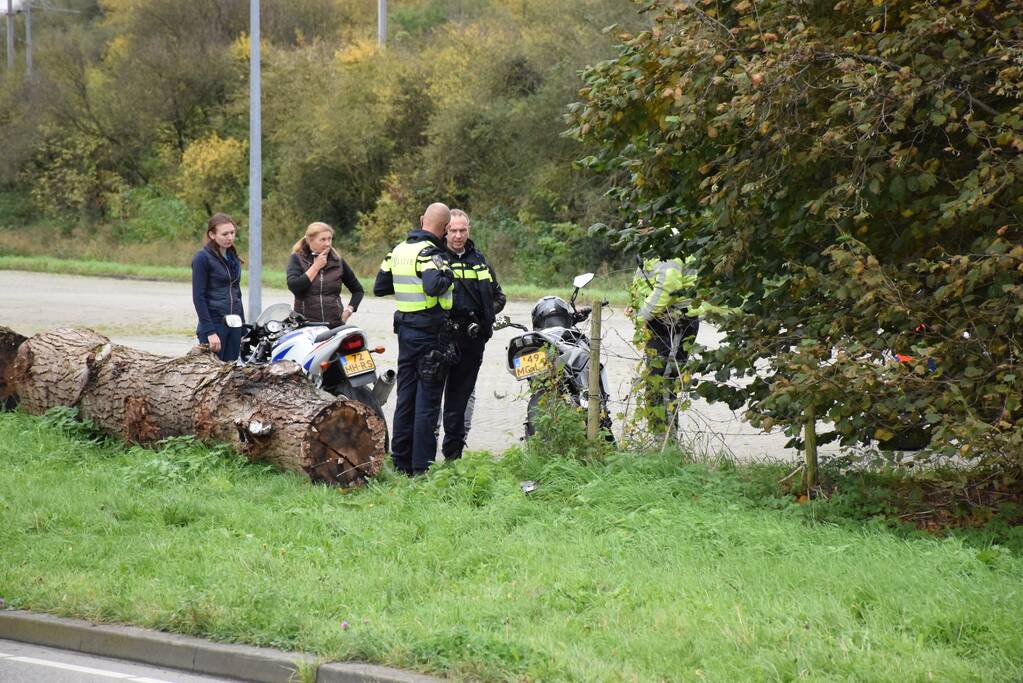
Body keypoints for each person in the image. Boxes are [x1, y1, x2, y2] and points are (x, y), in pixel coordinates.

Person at [373, 202, 455, 476]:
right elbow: (433, 285)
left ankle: (400, 463)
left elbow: (380, 287)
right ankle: (422, 468)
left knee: (405, 397)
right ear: (444, 229)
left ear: (422, 220)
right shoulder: (431, 254)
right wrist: (448, 276)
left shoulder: (396, 251)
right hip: (430, 333)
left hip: (406, 332)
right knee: (428, 401)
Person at [436, 209, 506, 460]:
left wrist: (483, 316)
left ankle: (453, 459)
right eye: (453, 230)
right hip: (441, 339)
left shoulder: (480, 260)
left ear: (469, 230)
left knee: (459, 402)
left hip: (471, 340)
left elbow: (499, 297)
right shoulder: (436, 258)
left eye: (462, 230)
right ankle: (423, 459)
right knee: (432, 400)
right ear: (445, 231)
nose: (457, 235)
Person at [629, 255, 699, 430]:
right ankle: (660, 439)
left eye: (642, 224)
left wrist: (641, 315)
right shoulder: (652, 246)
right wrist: (637, 306)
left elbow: (668, 287)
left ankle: (666, 444)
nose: (638, 226)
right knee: (655, 383)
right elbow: (650, 285)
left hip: (674, 323)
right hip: (660, 321)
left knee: (663, 384)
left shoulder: (665, 248)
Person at [286, 222, 364, 327]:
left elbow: (358, 290)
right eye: (322, 239)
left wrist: (348, 311)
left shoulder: (338, 261)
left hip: (334, 325)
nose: (327, 243)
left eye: (329, 239)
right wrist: (316, 267)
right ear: (310, 241)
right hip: (306, 326)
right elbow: (295, 287)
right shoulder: (297, 259)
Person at [191, 213, 245, 361]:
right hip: (215, 324)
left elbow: (237, 293)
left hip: (234, 324)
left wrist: (242, 329)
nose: (230, 237)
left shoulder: (233, 257)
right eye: (225, 234)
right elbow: (198, 297)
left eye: (232, 233)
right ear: (212, 235)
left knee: (231, 375)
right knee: (213, 376)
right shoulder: (202, 258)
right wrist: (210, 331)